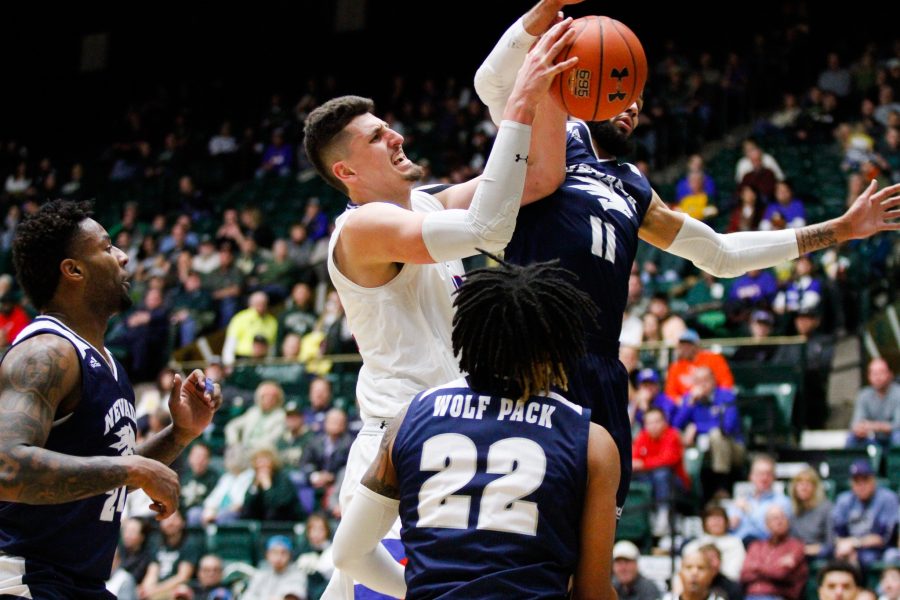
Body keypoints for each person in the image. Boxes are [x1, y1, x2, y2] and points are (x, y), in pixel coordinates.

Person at [475, 0, 900, 511]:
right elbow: (492, 85)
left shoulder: (633, 187)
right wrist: (540, 14)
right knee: (528, 525)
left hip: (601, 369)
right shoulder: (549, 141)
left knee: (593, 528)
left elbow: (720, 254)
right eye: (616, 86)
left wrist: (837, 230)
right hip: (534, 358)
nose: (631, 103)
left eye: (633, 93)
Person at [303, 20, 579, 599]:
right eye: (378, 137)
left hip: (450, 431)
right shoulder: (362, 228)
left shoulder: (424, 206)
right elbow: (488, 226)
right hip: (400, 445)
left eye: (388, 127)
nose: (397, 137)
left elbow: (542, 177)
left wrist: (543, 54)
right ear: (346, 173)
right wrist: (518, 102)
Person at [330, 257, 620, 599]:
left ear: (468, 331)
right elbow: (592, 592)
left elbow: (348, 554)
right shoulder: (592, 443)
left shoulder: (411, 416)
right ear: (557, 349)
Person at [0, 200, 222, 598]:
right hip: (24, 577)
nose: (122, 257)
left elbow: (100, 477)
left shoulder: (108, 364)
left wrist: (180, 434)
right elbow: (6, 467)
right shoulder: (45, 352)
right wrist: (131, 470)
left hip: (79, 582)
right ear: (73, 269)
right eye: (106, 248)